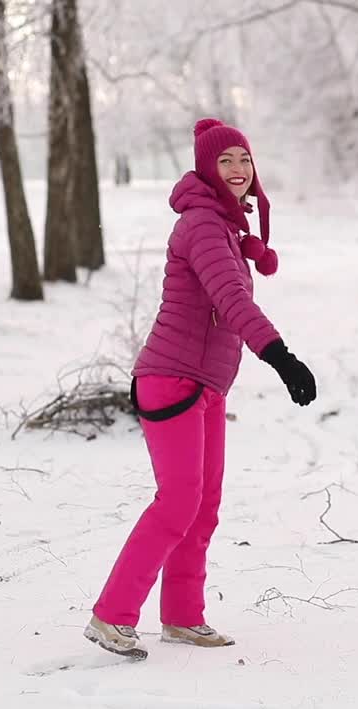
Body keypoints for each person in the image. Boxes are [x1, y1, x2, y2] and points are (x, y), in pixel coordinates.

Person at [83, 118, 317, 660]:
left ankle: (184, 616)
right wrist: (281, 358)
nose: (237, 171)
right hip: (172, 380)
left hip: (206, 384)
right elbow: (233, 301)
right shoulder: (203, 227)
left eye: (244, 160)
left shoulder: (225, 228)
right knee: (178, 500)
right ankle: (110, 615)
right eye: (225, 161)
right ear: (207, 169)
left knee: (204, 505)